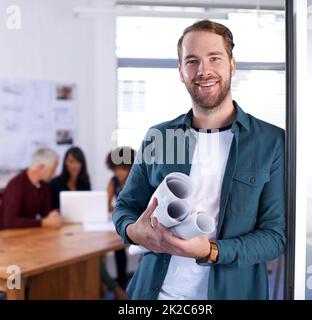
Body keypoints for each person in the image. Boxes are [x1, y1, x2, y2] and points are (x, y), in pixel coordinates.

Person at [113, 20, 286, 300]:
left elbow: (274, 237)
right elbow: (125, 207)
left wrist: (210, 250)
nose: (203, 71)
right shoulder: (159, 137)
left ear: (232, 64)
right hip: (154, 294)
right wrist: (135, 231)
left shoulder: (271, 142)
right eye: (192, 61)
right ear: (181, 72)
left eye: (214, 58)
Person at [50, 146, 127, 300]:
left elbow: (94, 206)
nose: (74, 165)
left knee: (97, 251)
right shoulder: (55, 183)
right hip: (61, 230)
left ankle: (115, 287)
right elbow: (51, 210)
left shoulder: (85, 181)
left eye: (78, 161)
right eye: (71, 161)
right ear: (65, 163)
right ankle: (115, 288)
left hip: (84, 229)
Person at [0, 148, 62, 230]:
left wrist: (53, 216)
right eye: (52, 170)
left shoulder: (44, 185)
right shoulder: (16, 185)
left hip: (27, 234)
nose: (54, 174)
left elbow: (46, 214)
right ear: (41, 167)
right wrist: (42, 222)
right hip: (7, 236)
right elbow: (10, 222)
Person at [106, 146, 136, 288]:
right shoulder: (114, 182)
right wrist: (118, 210)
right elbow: (106, 205)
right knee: (117, 245)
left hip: (137, 221)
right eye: (115, 169)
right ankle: (122, 283)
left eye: (122, 168)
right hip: (123, 222)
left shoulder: (137, 180)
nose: (118, 173)